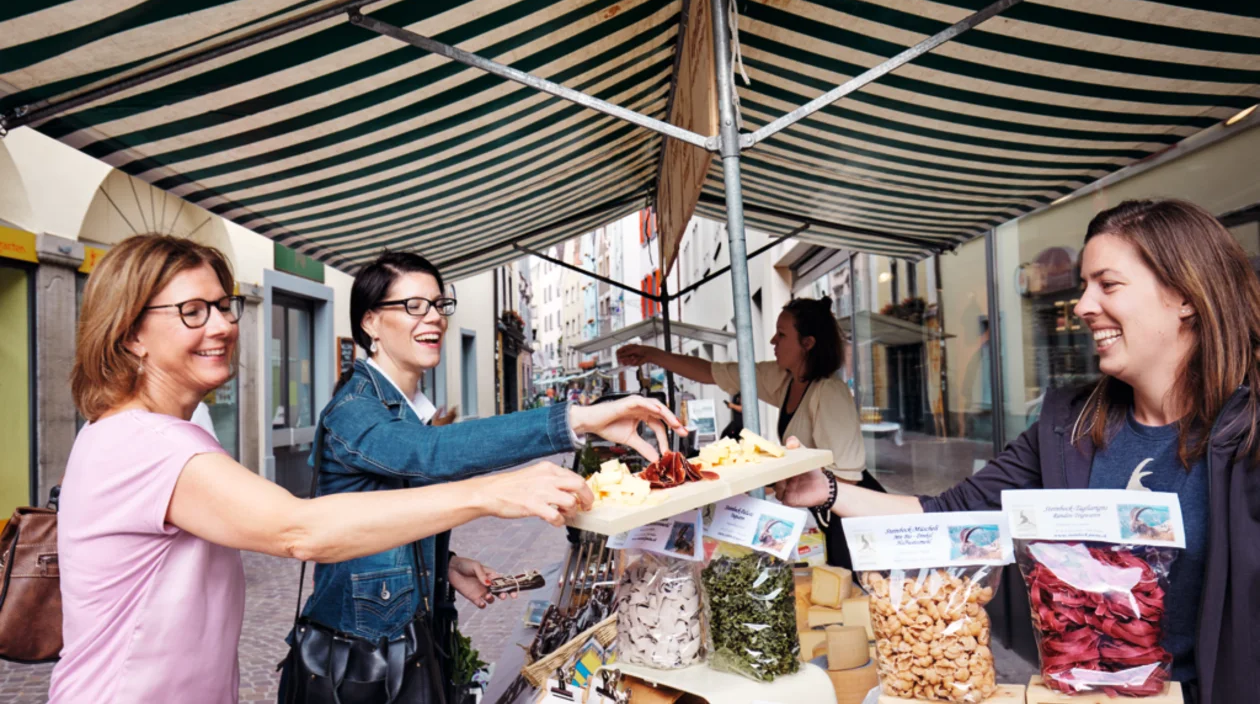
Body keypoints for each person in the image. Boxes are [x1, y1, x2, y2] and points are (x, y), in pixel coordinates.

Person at [48, 236, 675, 704]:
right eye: (193, 312)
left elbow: (371, 506)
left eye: (223, 305)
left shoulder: (186, 430)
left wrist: (440, 560)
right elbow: (299, 530)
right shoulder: (138, 442)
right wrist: (512, 473)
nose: (223, 326)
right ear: (130, 334)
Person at [774, 199, 1259, 704]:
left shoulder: (1249, 434)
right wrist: (824, 490)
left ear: (1185, 295)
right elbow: (949, 514)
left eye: (1108, 284)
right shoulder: (1067, 425)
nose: (1082, 305)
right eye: (1085, 285)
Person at [279, 251, 684, 702]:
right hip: (359, 664)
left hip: (409, 645)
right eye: (413, 306)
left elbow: (381, 518)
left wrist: (445, 564)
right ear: (371, 323)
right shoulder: (354, 411)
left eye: (437, 304)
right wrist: (577, 419)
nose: (432, 317)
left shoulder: (407, 410)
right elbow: (429, 455)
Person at [618, 296, 877, 569]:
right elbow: (711, 372)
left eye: (782, 334)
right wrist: (651, 355)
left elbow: (847, 480)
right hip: (818, 512)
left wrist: (779, 479)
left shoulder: (830, 393)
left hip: (850, 519)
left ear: (807, 343)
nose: (772, 341)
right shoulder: (786, 378)